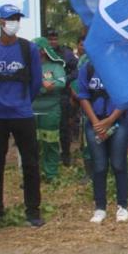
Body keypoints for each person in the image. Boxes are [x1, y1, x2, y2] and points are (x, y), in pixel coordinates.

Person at [0, 4, 45, 233]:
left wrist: (24, 102)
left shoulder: (29, 49)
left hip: (22, 114)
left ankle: (33, 211)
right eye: (10, 18)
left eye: (17, 18)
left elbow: (36, 82)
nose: (13, 22)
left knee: (30, 163)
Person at [76, 57, 128, 223]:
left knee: (118, 164)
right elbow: (83, 97)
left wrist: (110, 120)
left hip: (118, 121)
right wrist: (96, 123)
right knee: (99, 166)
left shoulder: (121, 67)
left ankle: (122, 205)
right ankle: (100, 207)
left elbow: (126, 97)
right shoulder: (88, 68)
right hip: (95, 122)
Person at [32, 37, 66, 182]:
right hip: (31, 110)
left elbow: (60, 82)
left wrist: (47, 84)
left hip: (51, 109)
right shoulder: (29, 66)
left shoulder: (55, 67)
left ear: (43, 51)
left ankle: (51, 174)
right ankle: (33, 175)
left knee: (50, 142)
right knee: (33, 144)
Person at [45, 29, 78, 167]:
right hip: (46, 97)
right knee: (48, 128)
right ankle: (50, 157)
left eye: (54, 39)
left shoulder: (66, 53)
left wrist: (64, 79)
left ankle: (66, 155)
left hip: (62, 95)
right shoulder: (42, 54)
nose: (52, 42)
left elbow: (76, 70)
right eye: (50, 39)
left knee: (64, 127)